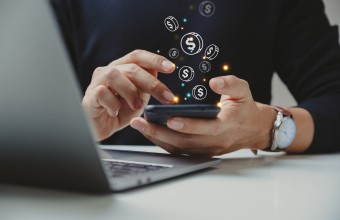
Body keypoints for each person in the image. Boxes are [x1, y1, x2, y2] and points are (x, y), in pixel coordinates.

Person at [50, 0, 340, 155]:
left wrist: (266, 128)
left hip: (239, 196)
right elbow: (22, 115)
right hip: (104, 197)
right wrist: (79, 129)